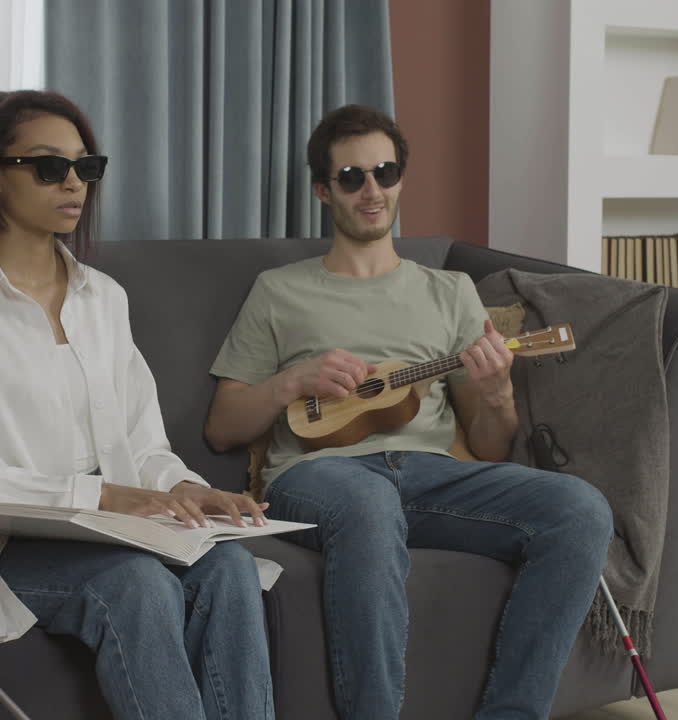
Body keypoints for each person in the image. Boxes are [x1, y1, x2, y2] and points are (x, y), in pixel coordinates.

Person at [204, 104, 613, 720]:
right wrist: (291, 380)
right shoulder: (279, 289)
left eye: (385, 173)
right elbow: (221, 426)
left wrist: (498, 392)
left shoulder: (449, 291)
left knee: (581, 508)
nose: (372, 190)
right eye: (351, 177)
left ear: (400, 179)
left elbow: (492, 443)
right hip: (320, 479)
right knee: (368, 505)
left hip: (428, 475)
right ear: (324, 190)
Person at [0, 89, 274, 720]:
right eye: (50, 166)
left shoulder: (105, 299)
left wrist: (189, 489)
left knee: (232, 568)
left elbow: (143, 444)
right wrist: (103, 497)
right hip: (5, 538)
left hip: (120, 525)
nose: (74, 183)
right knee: (139, 585)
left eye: (86, 167)